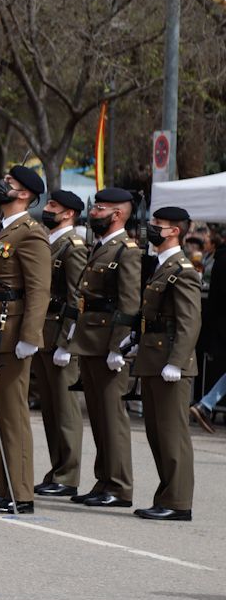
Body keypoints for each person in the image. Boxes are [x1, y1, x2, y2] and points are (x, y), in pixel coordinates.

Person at [0, 166, 50, 514]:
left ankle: (20, 494)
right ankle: (4, 490)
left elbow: (38, 289)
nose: (2, 185)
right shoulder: (1, 229)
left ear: (24, 194)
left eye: (11, 183)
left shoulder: (30, 233)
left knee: (13, 415)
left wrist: (30, 336)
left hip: (12, 331)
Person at [60, 187, 141, 508]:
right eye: (95, 208)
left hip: (108, 344)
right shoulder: (101, 247)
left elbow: (129, 303)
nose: (93, 213)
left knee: (112, 418)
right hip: (90, 342)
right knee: (97, 415)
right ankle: (103, 479)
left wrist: (118, 347)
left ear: (118, 214)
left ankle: (120, 486)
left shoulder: (127, 250)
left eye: (100, 209)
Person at [133, 206, 201, 521]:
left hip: (170, 363)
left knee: (172, 433)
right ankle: (166, 495)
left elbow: (189, 323)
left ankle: (178, 502)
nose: (152, 228)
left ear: (174, 230)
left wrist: (177, 361)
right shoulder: (162, 266)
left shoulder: (183, 269)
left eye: (157, 224)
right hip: (153, 358)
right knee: (157, 433)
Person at [33, 190, 88, 498]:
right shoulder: (48, 241)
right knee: (51, 409)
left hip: (59, 337)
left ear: (69, 214)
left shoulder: (73, 247)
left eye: (54, 206)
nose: (48, 209)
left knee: (65, 410)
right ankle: (56, 470)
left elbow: (77, 298)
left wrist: (68, 341)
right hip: (42, 334)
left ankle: (68, 475)